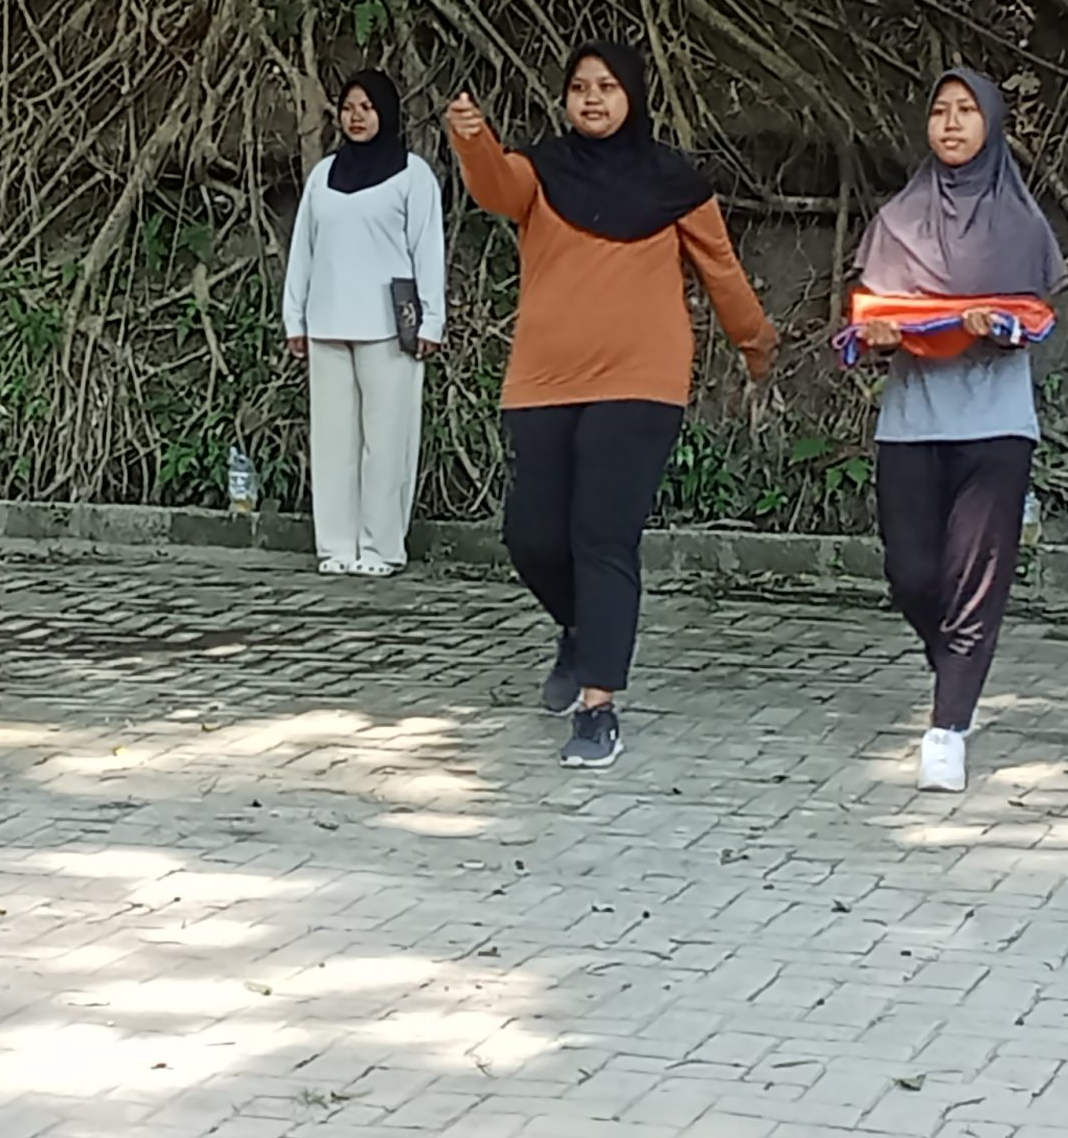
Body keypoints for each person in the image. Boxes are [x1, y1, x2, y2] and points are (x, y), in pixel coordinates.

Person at [446, 40, 775, 770]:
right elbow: (495, 187)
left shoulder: (673, 182)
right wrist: (473, 139)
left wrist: (754, 339)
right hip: (544, 379)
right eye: (578, 87)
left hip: (641, 380)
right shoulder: (540, 171)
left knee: (601, 533)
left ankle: (599, 708)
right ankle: (580, 629)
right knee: (531, 537)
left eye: (606, 87)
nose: (592, 99)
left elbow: (720, 267)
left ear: (633, 96)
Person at [849, 68, 1065, 797]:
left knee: (974, 580)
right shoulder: (896, 220)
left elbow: (1034, 320)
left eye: (967, 111)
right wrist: (876, 337)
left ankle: (948, 726)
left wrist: (995, 326)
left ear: (992, 125)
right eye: (940, 110)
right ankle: (960, 668)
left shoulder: (1022, 223)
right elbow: (864, 319)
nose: (950, 123)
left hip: (996, 425)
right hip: (912, 422)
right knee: (912, 576)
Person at [283, 69, 446, 576]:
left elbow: (428, 249)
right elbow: (303, 251)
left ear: (387, 113)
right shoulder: (324, 176)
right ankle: (337, 545)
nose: (357, 117)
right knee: (334, 442)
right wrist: (295, 317)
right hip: (328, 322)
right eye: (349, 107)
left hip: (388, 327)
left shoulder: (412, 175)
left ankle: (381, 548)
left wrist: (431, 320)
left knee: (387, 440)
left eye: (367, 108)